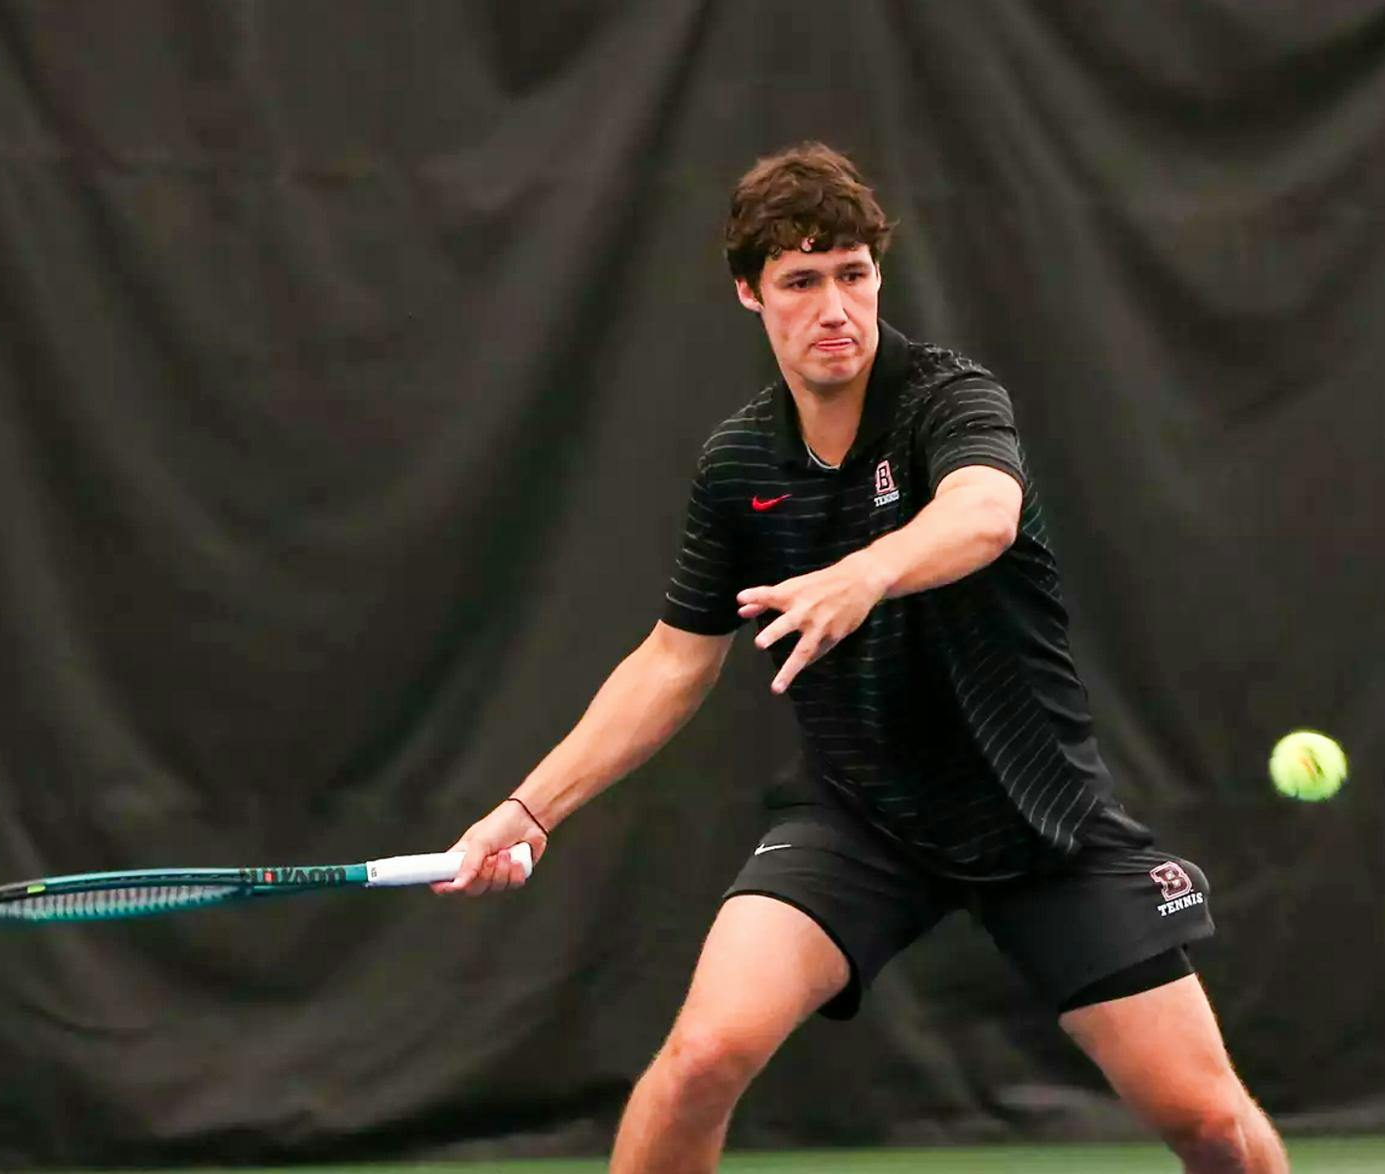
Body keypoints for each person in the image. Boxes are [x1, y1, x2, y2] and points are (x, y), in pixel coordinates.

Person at [434, 142, 1287, 1173]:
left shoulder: (946, 397)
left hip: (1036, 812)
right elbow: (672, 660)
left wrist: (866, 573)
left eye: (853, 273)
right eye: (801, 280)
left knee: (1210, 1126)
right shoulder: (738, 463)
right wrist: (531, 808)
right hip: (860, 817)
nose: (833, 305)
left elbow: (984, 512)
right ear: (751, 294)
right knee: (704, 1053)